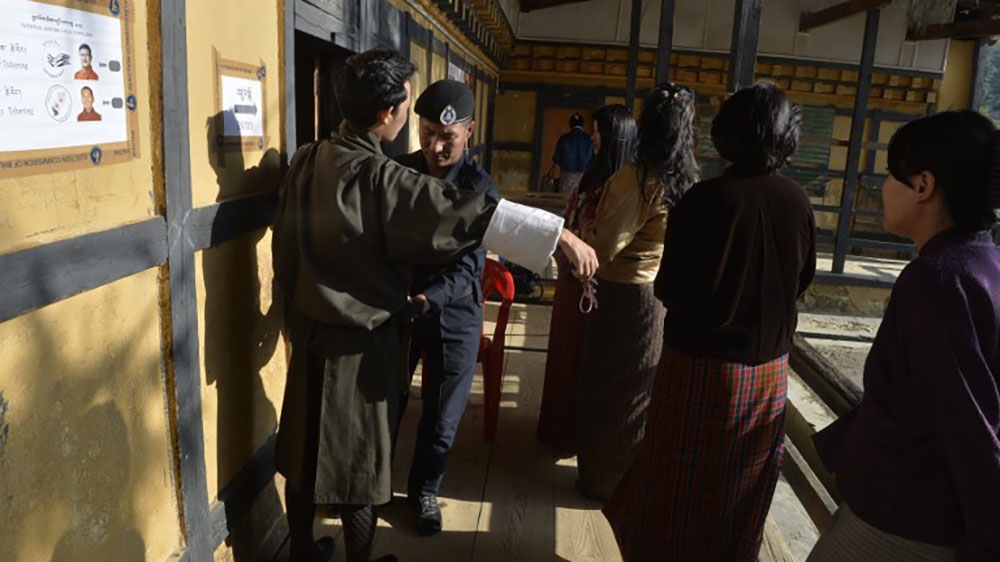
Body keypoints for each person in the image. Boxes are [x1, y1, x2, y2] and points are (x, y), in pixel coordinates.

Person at [271, 48, 597, 562]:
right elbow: (463, 214)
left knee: (302, 450)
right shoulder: (383, 178)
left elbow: (285, 250)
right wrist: (559, 237)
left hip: (311, 334)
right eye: (407, 108)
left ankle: (300, 554)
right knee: (361, 467)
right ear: (390, 114)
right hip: (359, 346)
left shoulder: (308, 159)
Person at [603, 81, 816, 561]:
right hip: (768, 374)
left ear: (726, 135)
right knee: (742, 487)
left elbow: (669, 287)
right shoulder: (798, 201)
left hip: (700, 368)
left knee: (677, 483)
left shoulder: (703, 200)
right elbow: (801, 281)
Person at [808, 111, 1000, 562]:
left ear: (923, 186)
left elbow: (967, 425)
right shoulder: (983, 265)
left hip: (902, 519)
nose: (882, 187)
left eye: (893, 175)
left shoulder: (935, 281)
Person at [575, 85, 698, 502]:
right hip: (656, 298)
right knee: (638, 395)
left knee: (608, 390)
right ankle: (627, 482)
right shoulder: (685, 180)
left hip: (622, 297)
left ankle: (600, 481)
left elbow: (605, 243)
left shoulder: (637, 178)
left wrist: (579, 234)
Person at [394, 79, 500, 536]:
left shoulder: (480, 188)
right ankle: (373, 485)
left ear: (469, 132)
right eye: (427, 133)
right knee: (386, 400)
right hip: (399, 309)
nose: (435, 146)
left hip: (453, 312)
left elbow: (470, 267)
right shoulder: (399, 172)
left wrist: (428, 298)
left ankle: (424, 491)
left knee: (442, 414)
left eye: (448, 138)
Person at [537, 104, 637, 458]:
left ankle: (577, 437)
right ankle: (557, 429)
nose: (594, 137)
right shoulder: (595, 175)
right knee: (564, 353)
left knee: (585, 361)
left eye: (600, 133)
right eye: (593, 130)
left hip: (597, 284)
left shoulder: (625, 184)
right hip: (571, 276)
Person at [551, 113, 593, 194]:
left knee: (565, 202)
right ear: (582, 124)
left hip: (567, 177)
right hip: (584, 177)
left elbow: (557, 159)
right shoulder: (589, 139)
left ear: (570, 124)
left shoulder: (564, 139)